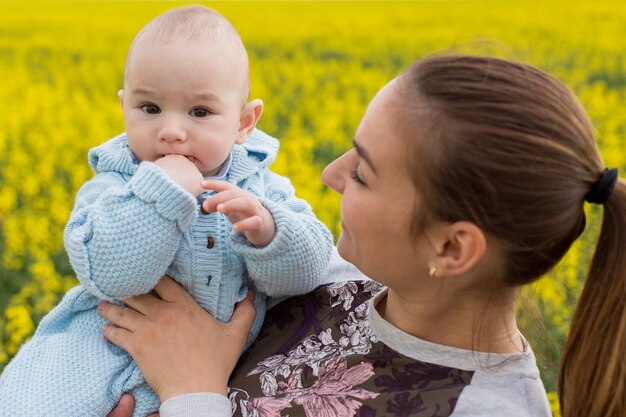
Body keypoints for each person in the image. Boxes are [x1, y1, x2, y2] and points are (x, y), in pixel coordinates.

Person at [97, 53, 626, 417]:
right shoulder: (332, 279)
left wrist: (193, 391)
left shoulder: (477, 407)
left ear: (451, 247)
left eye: (365, 173)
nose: (331, 173)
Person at [0, 6, 333, 417]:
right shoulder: (114, 185)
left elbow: (309, 273)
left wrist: (269, 231)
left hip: (219, 370)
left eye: (199, 112)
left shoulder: (261, 189)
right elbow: (110, 274)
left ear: (244, 122)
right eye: (150, 108)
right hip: (102, 355)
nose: (171, 131)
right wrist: (159, 192)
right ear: (124, 108)